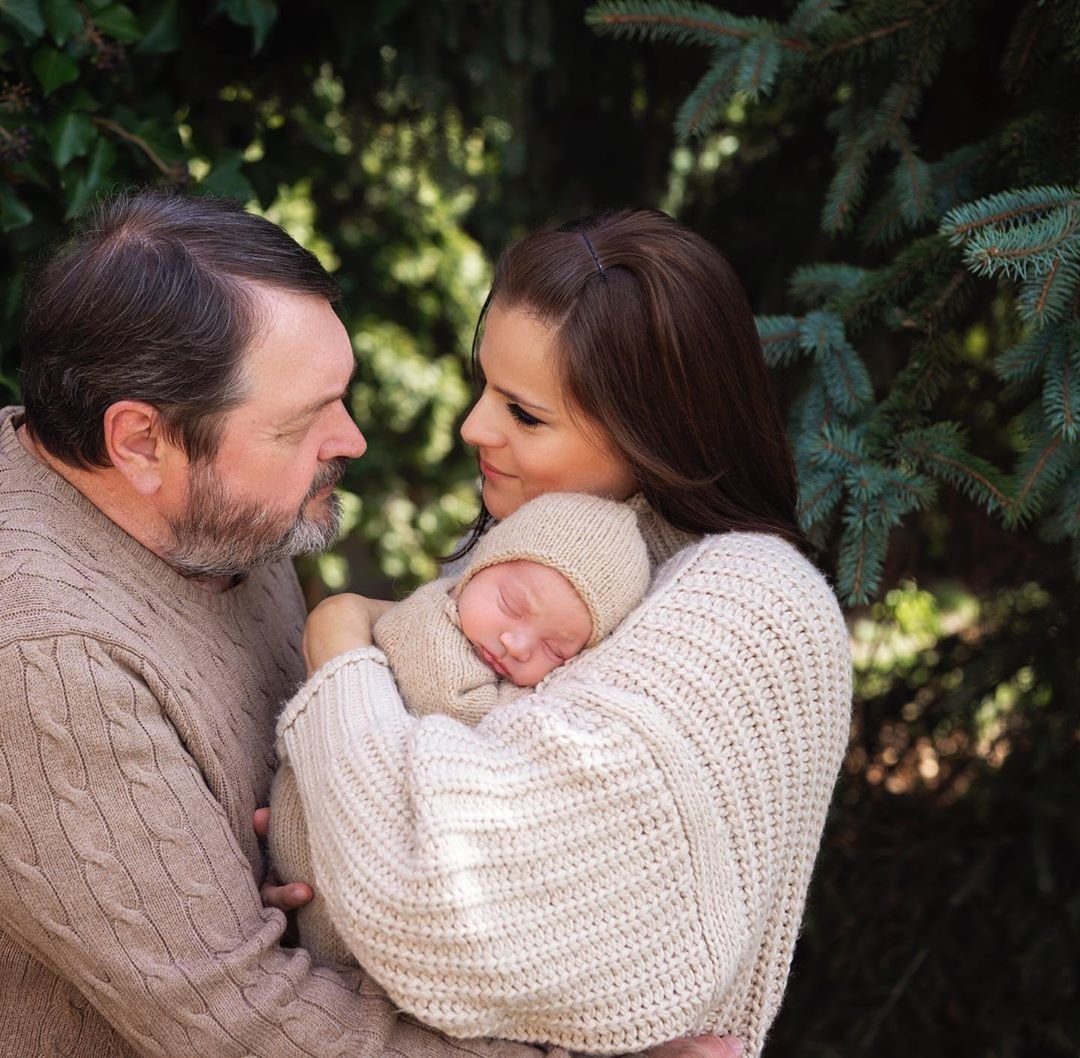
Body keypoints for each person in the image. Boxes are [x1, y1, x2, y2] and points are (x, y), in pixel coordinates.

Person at [0, 191, 741, 1058]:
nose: (350, 439)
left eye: (340, 399)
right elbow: (243, 1022)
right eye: (300, 423)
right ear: (139, 442)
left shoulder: (207, 509)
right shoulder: (48, 665)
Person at [272, 209, 854, 1057]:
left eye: (525, 414)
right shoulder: (533, 561)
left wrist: (339, 637)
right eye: (484, 387)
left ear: (653, 433)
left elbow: (434, 897)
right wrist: (321, 819)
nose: (474, 427)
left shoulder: (752, 603)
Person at [270, 490, 651, 962]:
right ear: (479, 567)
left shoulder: (488, 648)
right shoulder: (429, 624)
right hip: (333, 846)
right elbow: (457, 710)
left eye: (556, 650)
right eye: (511, 605)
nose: (517, 643)